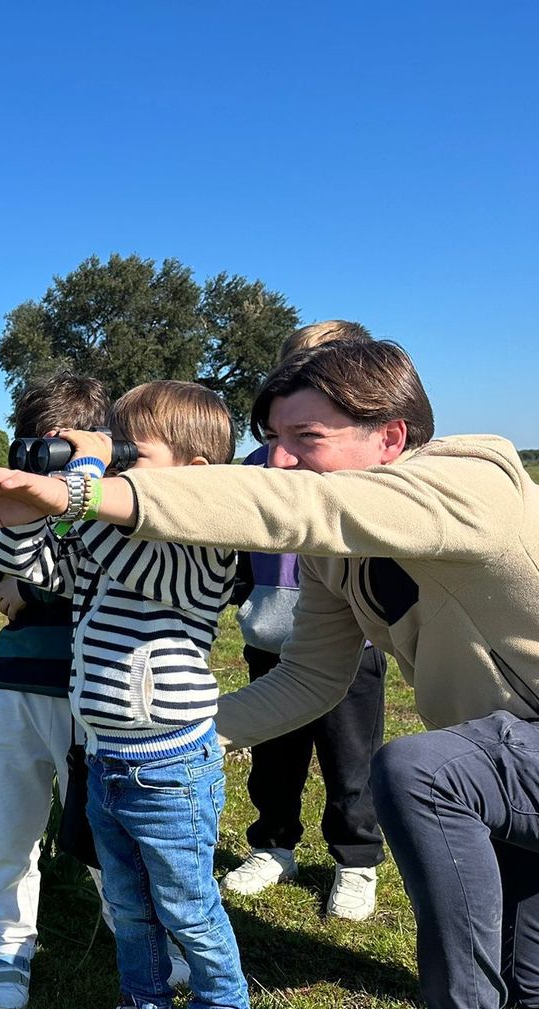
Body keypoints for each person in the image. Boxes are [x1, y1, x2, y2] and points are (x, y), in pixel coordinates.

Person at [0, 336, 539, 1009]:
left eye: (307, 438)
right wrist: (182, 737)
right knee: (535, 990)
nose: (279, 461)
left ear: (391, 437)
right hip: (520, 767)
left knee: (421, 771)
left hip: (532, 749)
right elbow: (312, 679)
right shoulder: (338, 562)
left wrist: (83, 486)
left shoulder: (475, 486)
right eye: (274, 440)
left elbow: (293, 507)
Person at [0, 381, 255, 1009]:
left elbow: (116, 545)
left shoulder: (206, 553)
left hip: (171, 765)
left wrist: (81, 478)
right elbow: (41, 571)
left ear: (197, 473)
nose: (117, 465)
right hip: (107, 757)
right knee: (131, 906)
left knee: (188, 903)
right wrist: (20, 518)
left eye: (133, 453)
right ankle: (148, 1008)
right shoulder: (110, 544)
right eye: (115, 450)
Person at [224, 320, 388, 920]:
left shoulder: (365, 468)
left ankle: (356, 861)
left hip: (353, 642)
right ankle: (273, 846)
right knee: (273, 756)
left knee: (352, 759)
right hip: (271, 637)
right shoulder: (259, 464)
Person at [0, 374, 112, 1009]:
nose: (46, 464)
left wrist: (29, 587)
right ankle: (8, 946)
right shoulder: (17, 515)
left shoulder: (111, 514)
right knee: (6, 830)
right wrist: (16, 528)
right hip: (14, 690)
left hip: (94, 694)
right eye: (36, 447)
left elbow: (113, 583)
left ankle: (137, 934)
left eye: (62, 448)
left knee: (103, 830)